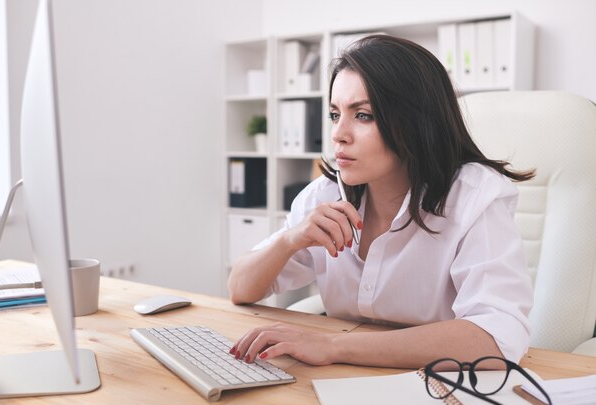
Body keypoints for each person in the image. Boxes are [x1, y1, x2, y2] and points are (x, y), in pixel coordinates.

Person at [227, 34, 535, 369]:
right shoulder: (325, 195)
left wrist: (333, 346)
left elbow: (495, 338)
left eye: (363, 115)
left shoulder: (474, 196)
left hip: (439, 385)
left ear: (416, 123)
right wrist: (290, 240)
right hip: (344, 379)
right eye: (334, 114)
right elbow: (241, 289)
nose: (338, 134)